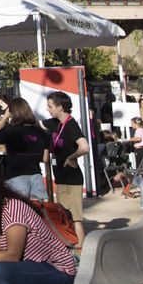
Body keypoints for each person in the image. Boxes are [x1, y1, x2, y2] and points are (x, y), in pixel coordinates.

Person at [44, 93, 89, 249]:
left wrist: (71, 157)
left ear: (60, 107)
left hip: (72, 179)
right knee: (64, 216)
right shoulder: (57, 123)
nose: (47, 109)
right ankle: (70, 246)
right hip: (61, 178)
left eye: (50, 106)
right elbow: (38, 124)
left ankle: (81, 249)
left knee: (75, 217)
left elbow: (85, 147)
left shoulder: (71, 125)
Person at [0, 98, 49, 201]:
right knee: (38, 211)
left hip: (16, 177)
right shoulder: (41, 132)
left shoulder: (10, 131)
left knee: (18, 212)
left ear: (12, 113)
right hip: (36, 177)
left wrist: (4, 118)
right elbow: (45, 159)